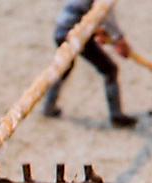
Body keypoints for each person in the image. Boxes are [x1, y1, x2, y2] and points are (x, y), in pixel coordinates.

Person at [42, 0, 139, 128]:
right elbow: (105, 13)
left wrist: (96, 30)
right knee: (110, 69)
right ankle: (116, 115)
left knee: (65, 68)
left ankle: (48, 107)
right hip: (76, 32)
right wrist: (118, 38)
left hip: (61, 30)